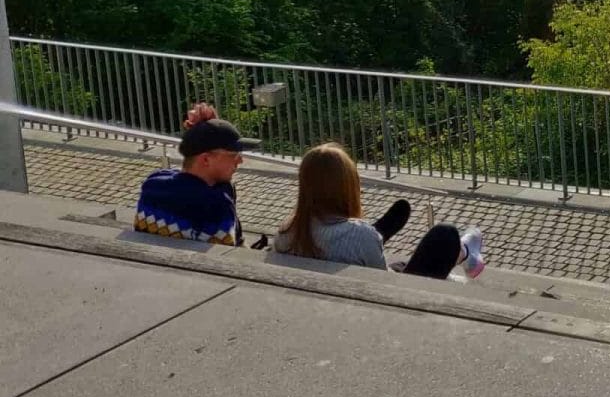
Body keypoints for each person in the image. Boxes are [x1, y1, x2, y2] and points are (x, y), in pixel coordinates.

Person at [270, 142, 486, 280]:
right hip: (381, 297)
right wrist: (369, 238)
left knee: (395, 258)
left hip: (341, 269)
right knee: (444, 235)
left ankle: (381, 234)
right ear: (348, 187)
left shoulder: (287, 231)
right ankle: (465, 253)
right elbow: (385, 282)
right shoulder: (362, 235)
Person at [134, 113, 258, 245]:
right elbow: (228, 254)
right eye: (233, 155)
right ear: (205, 159)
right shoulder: (215, 203)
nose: (240, 160)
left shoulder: (153, 183)